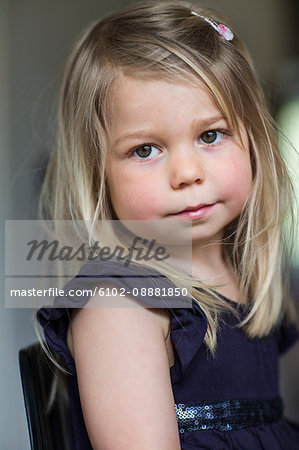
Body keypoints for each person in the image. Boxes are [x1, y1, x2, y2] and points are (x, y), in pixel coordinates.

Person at [36, 0, 299, 448]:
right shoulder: (121, 304)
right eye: (145, 150)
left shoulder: (248, 281)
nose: (186, 173)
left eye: (210, 135)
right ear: (98, 172)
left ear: (253, 139)